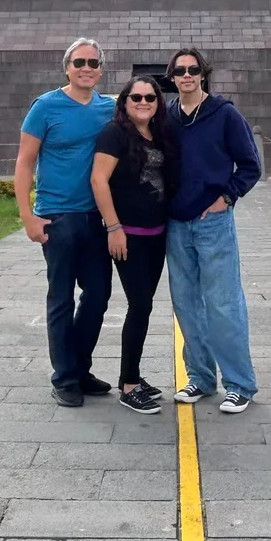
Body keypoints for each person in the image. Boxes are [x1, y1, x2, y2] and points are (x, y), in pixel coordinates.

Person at [14, 39, 115, 407]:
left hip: (96, 217)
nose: (86, 68)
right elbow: (25, 162)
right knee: (61, 298)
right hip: (57, 217)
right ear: (67, 67)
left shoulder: (109, 108)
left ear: (101, 69)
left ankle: (79, 369)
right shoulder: (45, 106)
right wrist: (27, 215)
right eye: (79, 62)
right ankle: (64, 378)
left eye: (93, 63)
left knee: (98, 295)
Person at [164, 46, 261, 414]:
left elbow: (250, 165)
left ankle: (239, 384)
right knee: (186, 304)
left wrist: (227, 198)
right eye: (180, 71)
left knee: (223, 303)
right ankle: (201, 378)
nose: (187, 76)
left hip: (213, 223)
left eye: (193, 70)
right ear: (172, 77)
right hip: (176, 224)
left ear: (203, 74)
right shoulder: (167, 116)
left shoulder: (225, 114)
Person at [91, 76, 179, 414]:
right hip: (128, 235)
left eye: (150, 97)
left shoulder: (158, 133)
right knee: (139, 305)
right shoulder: (114, 133)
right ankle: (129, 385)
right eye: (136, 97)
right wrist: (113, 227)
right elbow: (98, 180)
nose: (144, 102)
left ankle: (134, 376)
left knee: (144, 306)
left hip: (157, 233)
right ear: (124, 102)